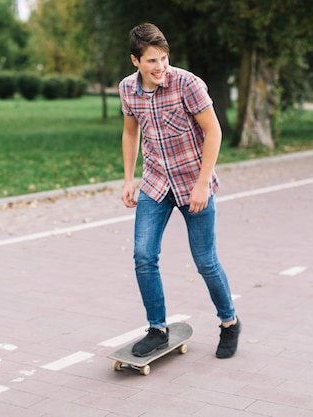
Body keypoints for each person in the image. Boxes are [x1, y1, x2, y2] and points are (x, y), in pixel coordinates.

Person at [119, 23, 241, 359]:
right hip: (156, 183)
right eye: (151, 61)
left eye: (163, 58)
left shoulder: (187, 84)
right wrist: (129, 179)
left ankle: (229, 322)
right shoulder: (128, 90)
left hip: (193, 184)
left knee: (205, 261)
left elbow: (213, 132)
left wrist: (202, 185)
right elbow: (131, 134)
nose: (160, 67)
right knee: (144, 256)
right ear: (135, 61)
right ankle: (157, 328)